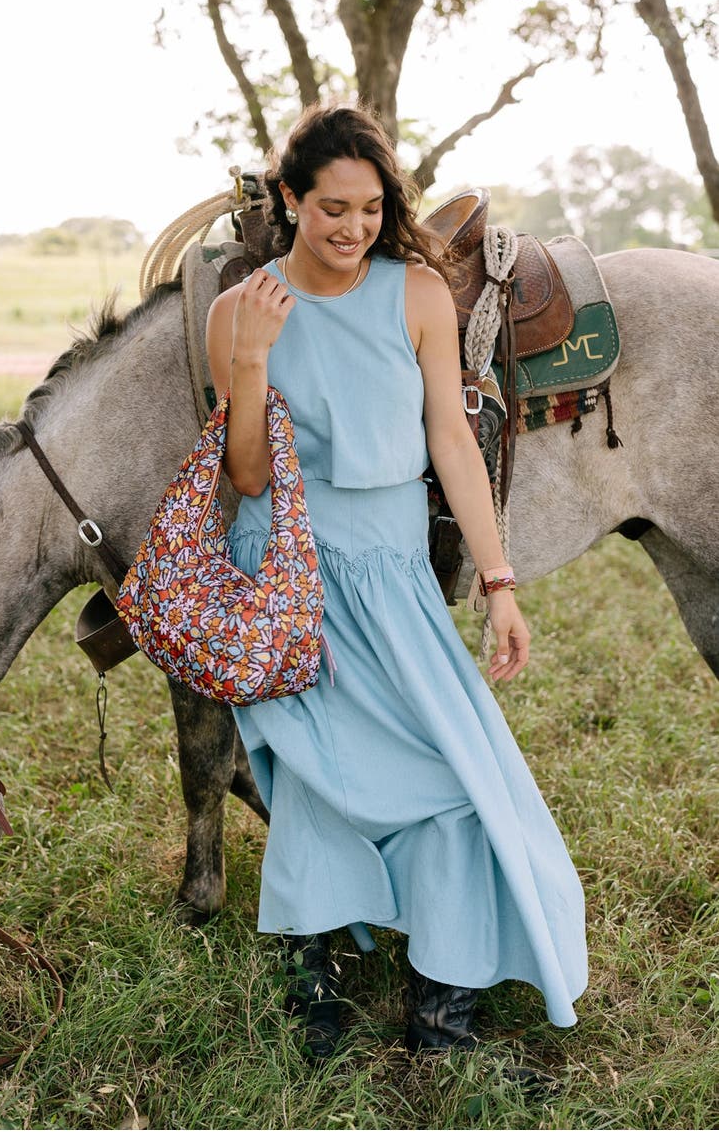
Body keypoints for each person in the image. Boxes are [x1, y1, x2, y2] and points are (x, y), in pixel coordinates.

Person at [206, 103, 587, 1062]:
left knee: (456, 782)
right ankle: (313, 973)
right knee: (314, 778)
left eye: (371, 209)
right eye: (332, 207)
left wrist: (499, 582)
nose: (352, 228)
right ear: (290, 200)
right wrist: (252, 358)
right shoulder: (237, 310)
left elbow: (451, 440)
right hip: (290, 572)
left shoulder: (415, 293)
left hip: (392, 572)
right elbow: (246, 475)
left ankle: (442, 1002)